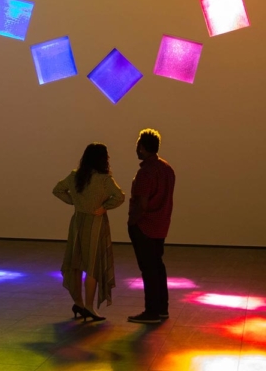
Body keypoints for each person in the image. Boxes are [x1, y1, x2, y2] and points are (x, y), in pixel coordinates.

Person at [53, 143, 125, 321]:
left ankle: (78, 302)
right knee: (92, 266)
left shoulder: (75, 176)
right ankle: (89, 307)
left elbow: (57, 190)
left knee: (75, 264)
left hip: (77, 222)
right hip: (95, 224)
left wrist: (74, 202)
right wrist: (104, 207)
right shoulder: (104, 179)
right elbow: (120, 196)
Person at [126, 128, 177, 324]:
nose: (136, 148)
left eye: (138, 144)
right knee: (158, 267)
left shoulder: (145, 172)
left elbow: (142, 203)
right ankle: (162, 308)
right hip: (161, 225)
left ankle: (151, 312)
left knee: (148, 269)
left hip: (145, 227)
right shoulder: (167, 169)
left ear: (144, 147)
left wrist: (132, 221)